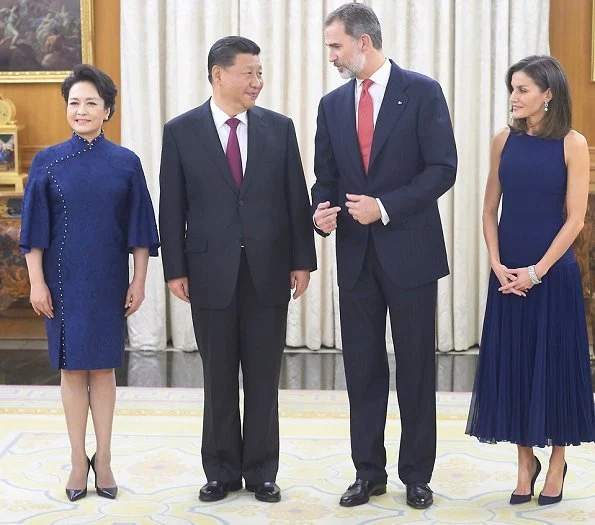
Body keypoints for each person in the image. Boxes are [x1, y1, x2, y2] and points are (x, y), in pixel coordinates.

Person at [159, 36, 316, 504]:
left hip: (268, 270)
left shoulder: (278, 128)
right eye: (248, 72)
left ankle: (262, 470)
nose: (257, 81)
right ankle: (221, 471)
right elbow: (172, 207)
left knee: (265, 377)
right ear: (218, 74)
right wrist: (175, 268)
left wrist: (302, 260)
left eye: (260, 73)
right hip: (208, 271)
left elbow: (295, 198)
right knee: (219, 377)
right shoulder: (181, 130)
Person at [311, 3, 457, 510]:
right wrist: (319, 213)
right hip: (355, 257)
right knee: (363, 369)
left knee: (416, 367)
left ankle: (417, 474)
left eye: (335, 46)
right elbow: (324, 178)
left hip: (411, 254)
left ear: (363, 43)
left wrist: (386, 207)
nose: (330, 55)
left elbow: (443, 169)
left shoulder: (422, 92)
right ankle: (367, 472)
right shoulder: (331, 105)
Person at [19, 64, 160, 502]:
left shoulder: (125, 162)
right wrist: (36, 284)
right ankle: (79, 460)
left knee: (103, 368)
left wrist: (139, 280)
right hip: (61, 283)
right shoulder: (46, 161)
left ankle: (107, 457)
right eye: (74, 103)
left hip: (108, 280)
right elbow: (33, 232)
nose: (81, 110)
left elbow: (140, 228)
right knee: (70, 369)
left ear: (108, 110)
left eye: (91, 103)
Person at [466, 55, 595, 505]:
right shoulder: (504, 140)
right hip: (507, 274)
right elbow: (488, 210)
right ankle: (525, 463)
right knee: (515, 365)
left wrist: (536, 272)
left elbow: (576, 219)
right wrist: (499, 265)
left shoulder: (573, 144)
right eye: (512, 89)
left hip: (550, 274)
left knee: (555, 366)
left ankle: (557, 460)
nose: (514, 98)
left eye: (522, 89)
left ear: (548, 95)